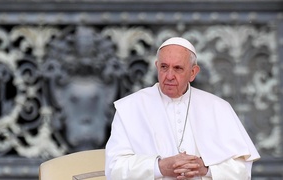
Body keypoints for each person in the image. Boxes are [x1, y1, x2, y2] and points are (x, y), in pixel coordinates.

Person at [105, 37, 260, 179]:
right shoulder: (130, 108)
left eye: (178, 68)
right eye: (164, 67)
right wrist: (159, 167)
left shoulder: (218, 108)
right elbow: (114, 169)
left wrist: (205, 169)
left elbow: (242, 170)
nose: (169, 75)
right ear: (157, 66)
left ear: (193, 72)